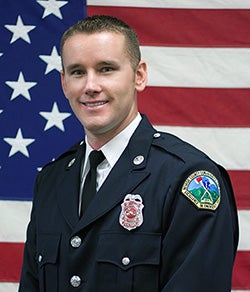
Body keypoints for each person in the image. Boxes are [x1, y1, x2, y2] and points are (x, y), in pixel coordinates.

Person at [19, 15, 239, 291]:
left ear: (139, 75)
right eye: (77, 72)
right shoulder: (51, 180)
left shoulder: (186, 177)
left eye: (106, 69)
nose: (90, 86)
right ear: (64, 83)